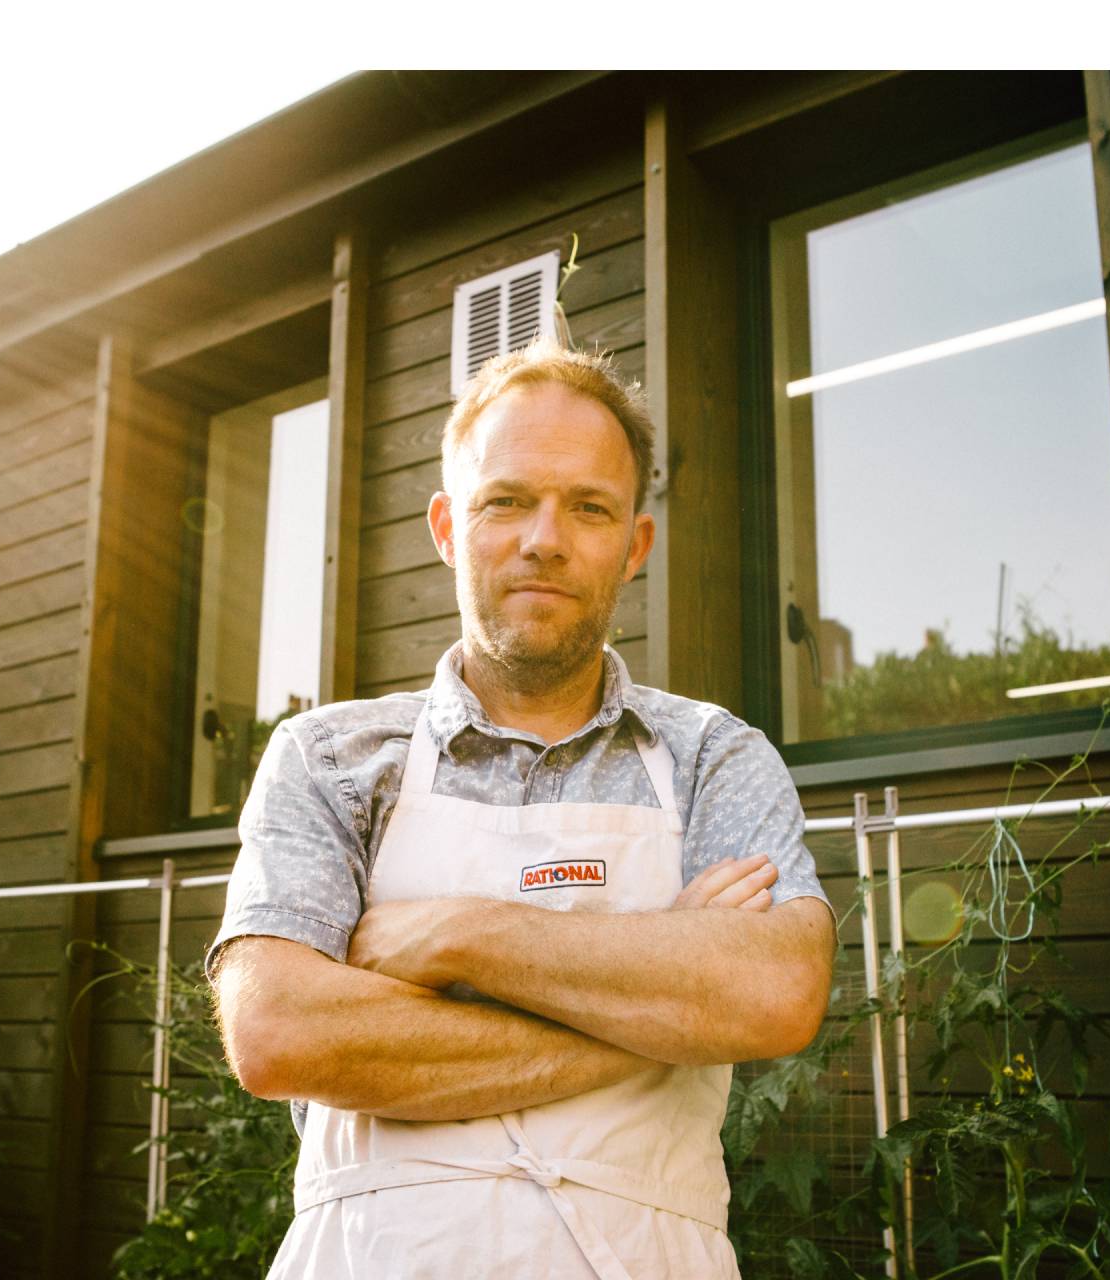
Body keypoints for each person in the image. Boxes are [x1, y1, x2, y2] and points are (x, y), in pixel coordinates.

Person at [207, 338, 835, 1278]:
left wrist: (461, 936)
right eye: (507, 500)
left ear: (635, 547)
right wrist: (660, 1010)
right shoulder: (331, 758)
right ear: (449, 527)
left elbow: (774, 992)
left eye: (589, 507)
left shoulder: (712, 756)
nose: (545, 538)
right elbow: (279, 1030)